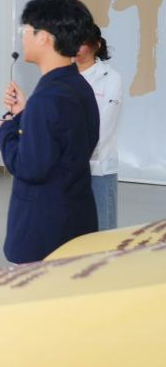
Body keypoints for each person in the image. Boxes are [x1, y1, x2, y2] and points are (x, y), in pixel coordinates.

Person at [0, 0, 100, 263]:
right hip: (75, 219)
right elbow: (62, 144)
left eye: (25, 30)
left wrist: (6, 129)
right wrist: (25, 114)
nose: (23, 37)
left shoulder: (46, 98)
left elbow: (30, 168)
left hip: (42, 229)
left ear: (43, 37)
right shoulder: (78, 85)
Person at [76, 28, 122, 231]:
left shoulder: (111, 78)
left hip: (98, 167)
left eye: (82, 41)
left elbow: (104, 127)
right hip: (69, 167)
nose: (76, 46)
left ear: (97, 45)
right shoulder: (64, 76)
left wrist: (76, 155)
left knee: (102, 229)